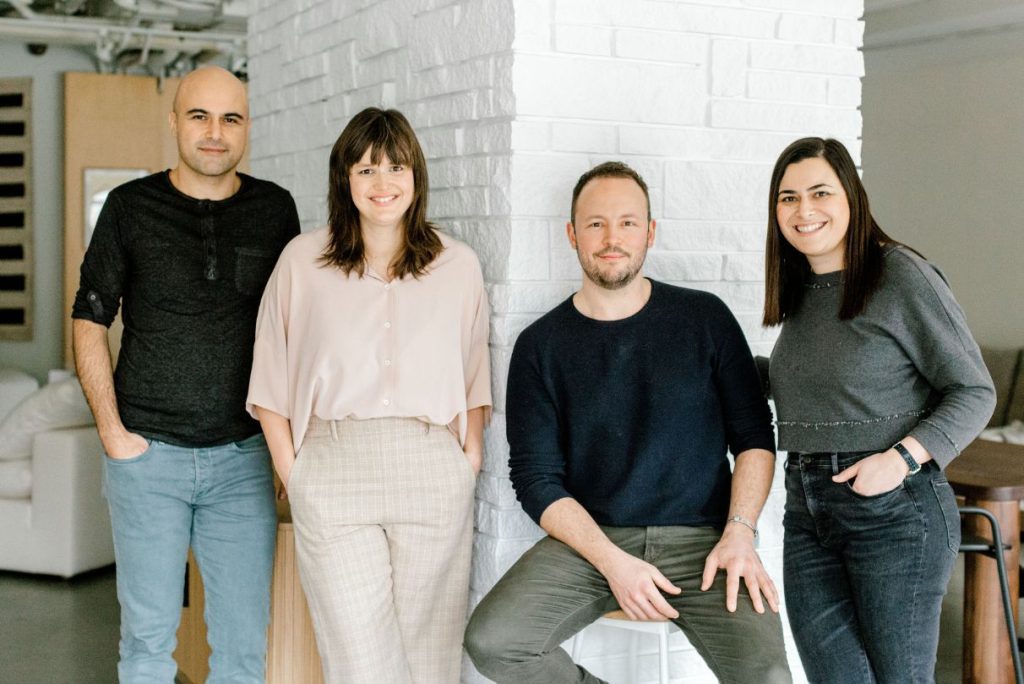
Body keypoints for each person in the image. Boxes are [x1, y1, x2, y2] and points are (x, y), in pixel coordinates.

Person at [464, 161, 791, 684]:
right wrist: (615, 563)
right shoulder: (540, 347)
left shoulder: (705, 318)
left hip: (706, 543)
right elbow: (535, 479)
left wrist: (740, 533)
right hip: (591, 545)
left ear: (650, 232)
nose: (612, 237)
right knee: (494, 642)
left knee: (769, 676)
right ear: (572, 234)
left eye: (627, 222)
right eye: (595, 223)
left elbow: (754, 438)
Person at [246, 107, 491, 684]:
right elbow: (269, 378)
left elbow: (475, 370)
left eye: (396, 168)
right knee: (358, 657)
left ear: (415, 177)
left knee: (428, 655)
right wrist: (295, 471)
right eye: (366, 170)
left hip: (432, 466)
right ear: (344, 181)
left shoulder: (458, 265)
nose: (382, 184)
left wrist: (469, 458)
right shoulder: (301, 262)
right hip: (332, 468)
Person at [72, 66, 300, 682]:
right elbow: (89, 318)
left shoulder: (275, 210)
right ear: (174, 122)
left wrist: (285, 447)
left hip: (242, 461)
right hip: (148, 458)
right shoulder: (129, 207)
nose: (215, 133)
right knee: (147, 646)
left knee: (242, 649)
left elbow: (291, 333)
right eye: (200, 116)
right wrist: (115, 437)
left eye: (231, 118)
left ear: (247, 127)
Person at [764, 137, 996, 682]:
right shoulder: (805, 288)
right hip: (806, 507)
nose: (804, 210)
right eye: (788, 197)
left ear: (852, 195)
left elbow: (975, 390)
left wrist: (901, 461)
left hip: (896, 513)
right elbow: (809, 387)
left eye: (820, 192)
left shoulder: (900, 275)